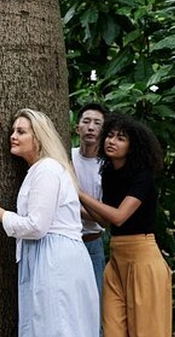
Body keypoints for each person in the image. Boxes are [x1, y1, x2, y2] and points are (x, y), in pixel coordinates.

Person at [0, 108, 99, 337]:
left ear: (38, 138)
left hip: (54, 258)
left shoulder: (46, 169)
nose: (13, 136)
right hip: (53, 255)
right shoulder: (42, 169)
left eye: (21, 132)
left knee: (57, 326)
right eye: (13, 131)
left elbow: (36, 226)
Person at [78, 113, 172, 337]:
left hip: (143, 260)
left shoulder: (143, 176)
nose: (112, 141)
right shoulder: (109, 173)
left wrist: (78, 193)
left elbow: (119, 216)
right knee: (112, 330)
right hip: (117, 258)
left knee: (147, 331)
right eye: (110, 136)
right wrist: (71, 203)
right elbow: (104, 220)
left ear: (132, 146)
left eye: (121, 138)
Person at [71, 103, 107, 316]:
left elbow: (103, 218)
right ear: (77, 128)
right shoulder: (66, 157)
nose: (91, 127)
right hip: (66, 241)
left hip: (92, 243)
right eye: (86, 121)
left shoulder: (106, 167)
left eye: (97, 123)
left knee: (94, 308)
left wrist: (70, 205)